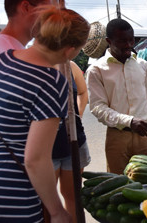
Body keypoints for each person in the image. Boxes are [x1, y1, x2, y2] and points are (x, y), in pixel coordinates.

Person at [0, 5, 89, 222]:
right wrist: (56, 211)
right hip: (13, 195)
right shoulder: (51, 81)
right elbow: (35, 158)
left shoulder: (1, 60)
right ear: (70, 50)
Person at [87, 18, 147, 175]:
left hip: (146, 134)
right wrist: (129, 121)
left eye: (131, 40)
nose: (128, 45)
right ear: (109, 41)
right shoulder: (97, 70)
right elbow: (98, 107)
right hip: (117, 137)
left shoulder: (142, 65)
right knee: (119, 187)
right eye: (122, 41)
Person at [53, 61, 91, 222]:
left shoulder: (70, 65)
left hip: (74, 143)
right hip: (47, 148)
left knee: (73, 196)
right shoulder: (33, 64)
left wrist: (78, 115)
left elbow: (83, 93)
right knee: (46, 202)